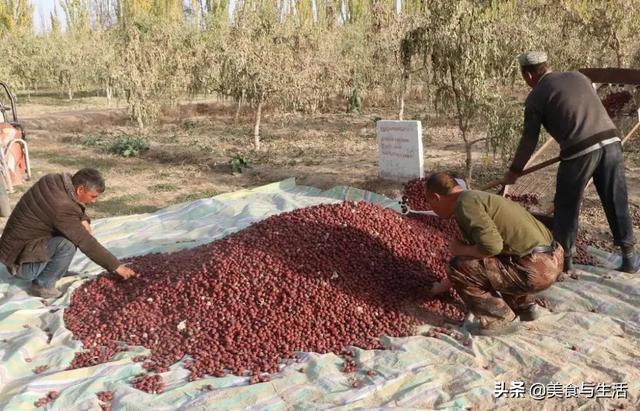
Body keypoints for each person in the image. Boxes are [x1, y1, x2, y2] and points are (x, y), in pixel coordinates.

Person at [503, 51, 638, 274]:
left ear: (528, 75)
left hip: (580, 150)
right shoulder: (579, 77)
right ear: (547, 66)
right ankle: (629, 257)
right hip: (612, 141)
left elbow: (529, 139)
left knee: (566, 205)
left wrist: (515, 170)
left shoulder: (536, 96)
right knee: (616, 198)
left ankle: (564, 262)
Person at [425, 173, 564, 335]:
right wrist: (442, 287)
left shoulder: (465, 204)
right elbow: (487, 254)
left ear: (436, 197)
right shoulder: (478, 198)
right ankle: (524, 307)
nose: (431, 209)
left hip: (536, 269)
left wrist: (460, 250)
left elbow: (491, 247)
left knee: (458, 265)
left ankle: (499, 319)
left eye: (429, 203)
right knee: (491, 262)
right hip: (552, 259)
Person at [0, 168, 137, 298]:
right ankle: (43, 285)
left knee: (71, 232)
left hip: (15, 251)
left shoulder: (53, 180)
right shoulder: (61, 207)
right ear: (80, 189)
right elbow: (85, 242)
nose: (94, 201)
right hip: (20, 265)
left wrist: (83, 218)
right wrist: (116, 266)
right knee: (67, 244)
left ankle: (56, 270)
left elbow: (72, 208)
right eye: (93, 196)